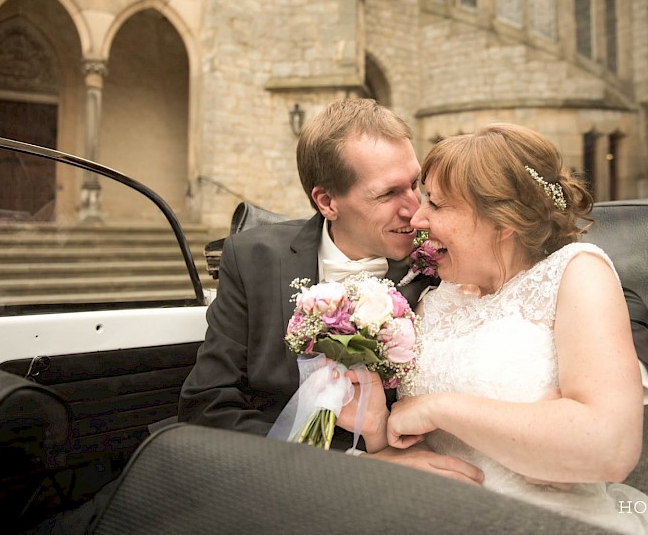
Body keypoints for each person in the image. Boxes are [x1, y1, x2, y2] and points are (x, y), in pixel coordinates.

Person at [341, 123, 648, 534]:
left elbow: (609, 448)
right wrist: (377, 433)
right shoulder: (430, 301)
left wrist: (441, 408)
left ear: (502, 220)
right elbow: (418, 450)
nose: (418, 218)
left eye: (437, 205)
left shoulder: (576, 274)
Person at [178, 98, 484, 484]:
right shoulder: (252, 257)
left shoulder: (443, 265)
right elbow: (206, 407)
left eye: (414, 185)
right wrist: (353, 464)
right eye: (388, 194)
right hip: (265, 473)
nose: (416, 210)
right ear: (327, 202)